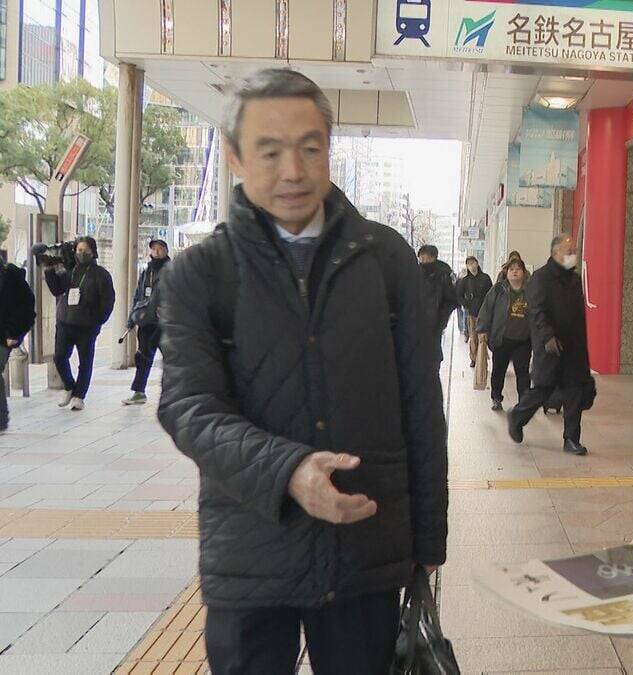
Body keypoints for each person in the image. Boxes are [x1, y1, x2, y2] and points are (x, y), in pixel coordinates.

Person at [155, 68, 448, 675]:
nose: (293, 170)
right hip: (251, 555)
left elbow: (422, 406)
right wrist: (287, 471)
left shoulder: (386, 260)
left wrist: (427, 544)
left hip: (364, 552)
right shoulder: (199, 274)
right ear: (235, 157)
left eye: (310, 148)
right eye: (270, 150)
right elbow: (187, 406)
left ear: (328, 149)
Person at [507, 234, 593, 456]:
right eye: (569, 251)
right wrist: (547, 337)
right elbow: (536, 311)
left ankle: (571, 439)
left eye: (574, 250)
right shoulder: (540, 278)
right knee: (543, 390)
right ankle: (517, 415)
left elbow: (578, 316)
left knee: (573, 391)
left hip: (573, 346)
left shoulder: (574, 280)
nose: (573, 255)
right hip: (550, 345)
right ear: (556, 253)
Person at [45, 236, 114, 412]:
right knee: (59, 357)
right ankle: (69, 386)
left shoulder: (101, 274)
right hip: (65, 321)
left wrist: (98, 321)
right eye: (79, 250)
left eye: (85, 250)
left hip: (87, 326)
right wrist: (50, 270)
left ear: (93, 251)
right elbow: (56, 290)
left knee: (85, 362)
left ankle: (79, 396)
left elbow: (108, 301)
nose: (82, 253)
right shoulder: (70, 271)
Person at [477, 259, 531, 411]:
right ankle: (496, 397)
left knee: (523, 373)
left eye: (518, 269)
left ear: (524, 273)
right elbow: (486, 309)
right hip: (502, 338)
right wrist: (482, 329)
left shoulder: (530, 291)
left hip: (524, 339)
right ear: (506, 273)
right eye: (511, 269)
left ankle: (524, 401)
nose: (515, 272)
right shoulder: (499, 289)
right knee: (499, 370)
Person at [124, 239, 171, 405]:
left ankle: (173, 393)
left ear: (166, 251)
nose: (156, 252)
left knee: (172, 359)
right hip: (147, 321)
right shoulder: (147, 271)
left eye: (160, 249)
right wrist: (132, 318)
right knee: (143, 356)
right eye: (154, 249)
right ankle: (139, 391)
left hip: (166, 323)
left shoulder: (173, 270)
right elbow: (139, 295)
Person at [0, 253, 36, 431]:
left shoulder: (12, 278)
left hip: (5, 336)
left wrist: (13, 333)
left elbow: (27, 309)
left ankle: (1, 418)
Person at [417, 244, 457, 361]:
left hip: (435, 321)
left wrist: (441, 320)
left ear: (434, 258)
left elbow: (451, 300)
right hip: (416, 321)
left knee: (433, 356)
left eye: (427, 258)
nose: (424, 261)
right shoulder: (414, 272)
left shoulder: (443, 274)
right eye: (422, 258)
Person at [456, 256, 493, 368]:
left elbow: (491, 293)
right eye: (469, 264)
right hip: (471, 312)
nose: (471, 266)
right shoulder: (465, 280)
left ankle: (482, 357)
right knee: (473, 336)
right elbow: (459, 295)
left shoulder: (485, 278)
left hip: (484, 312)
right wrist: (466, 304)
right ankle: (473, 358)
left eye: (473, 263)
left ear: (477, 264)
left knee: (483, 336)